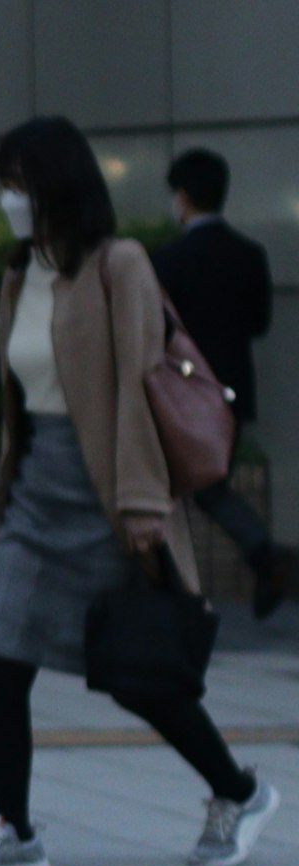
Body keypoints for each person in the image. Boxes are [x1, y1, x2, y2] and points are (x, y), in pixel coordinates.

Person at [0, 118, 275, 866]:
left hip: (107, 498)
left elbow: (140, 389)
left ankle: (238, 791)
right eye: (3, 186)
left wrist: (141, 508)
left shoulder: (118, 265)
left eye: (18, 185)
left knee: (143, 681)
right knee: (1, 657)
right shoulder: (17, 275)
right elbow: (18, 397)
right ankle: (18, 830)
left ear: (56, 186)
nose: (8, 200)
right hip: (37, 494)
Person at [152, 146, 286, 614]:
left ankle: (183, 586)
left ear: (183, 197)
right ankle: (261, 556)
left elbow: (156, 332)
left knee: (175, 489)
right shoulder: (249, 255)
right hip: (231, 396)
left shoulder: (168, 261)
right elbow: (259, 323)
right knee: (207, 487)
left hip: (182, 395)